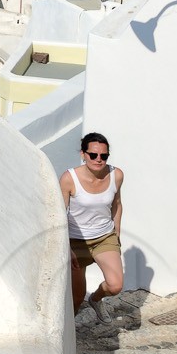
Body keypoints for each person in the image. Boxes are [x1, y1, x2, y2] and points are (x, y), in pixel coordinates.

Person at [61, 131, 124, 317]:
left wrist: (116, 234)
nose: (99, 159)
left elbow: (117, 204)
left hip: (104, 237)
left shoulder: (116, 175)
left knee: (115, 285)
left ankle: (96, 299)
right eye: (93, 155)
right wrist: (67, 247)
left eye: (104, 156)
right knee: (76, 298)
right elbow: (59, 214)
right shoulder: (69, 179)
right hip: (75, 241)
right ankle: (69, 340)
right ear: (83, 154)